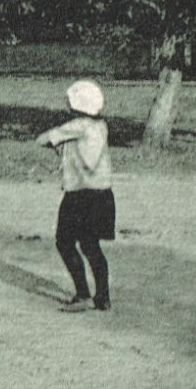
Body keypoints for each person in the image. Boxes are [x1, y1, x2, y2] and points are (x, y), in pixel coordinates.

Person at [36, 79, 116, 312]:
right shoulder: (101, 126)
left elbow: (42, 139)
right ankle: (103, 297)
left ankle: (83, 294)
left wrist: (58, 140)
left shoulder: (76, 127)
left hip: (79, 195)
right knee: (92, 246)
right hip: (103, 194)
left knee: (64, 241)